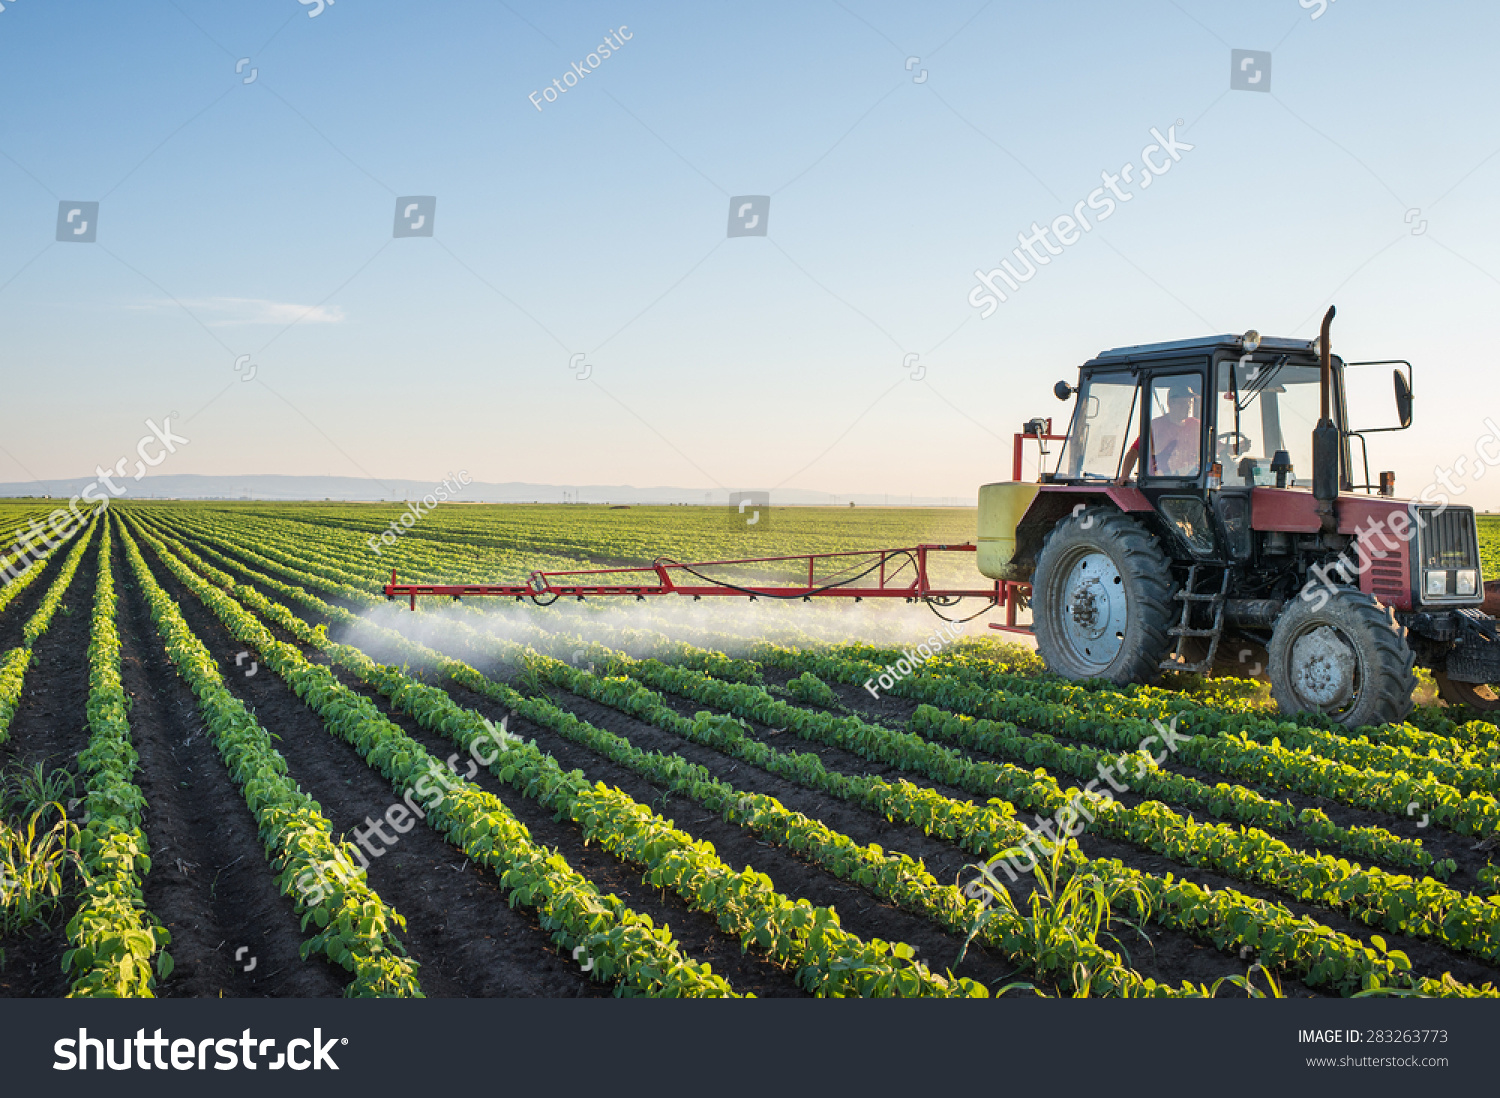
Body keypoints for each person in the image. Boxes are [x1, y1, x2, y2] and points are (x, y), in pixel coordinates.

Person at [1118, 380, 1201, 480]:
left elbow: (1216, 446)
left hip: (1191, 481)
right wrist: (1124, 476)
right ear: (1170, 403)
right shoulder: (1156, 426)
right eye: (1183, 403)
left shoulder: (1196, 425)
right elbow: (1135, 451)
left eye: (1190, 403)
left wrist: (1223, 452)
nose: (1188, 406)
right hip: (1160, 482)